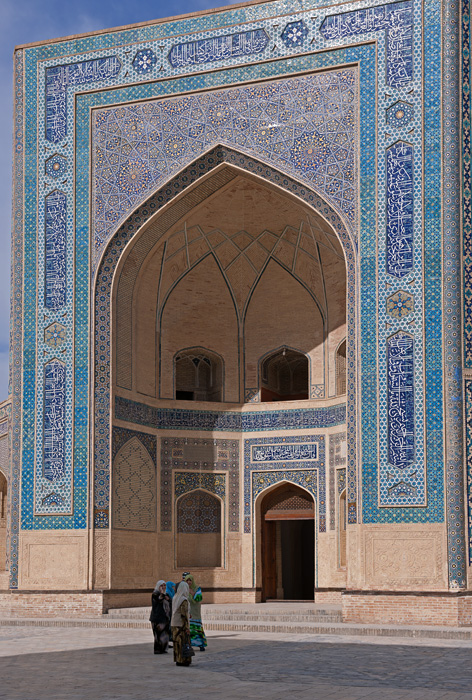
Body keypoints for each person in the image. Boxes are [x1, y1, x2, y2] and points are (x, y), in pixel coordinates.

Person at [182, 572, 207, 651]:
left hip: (195, 612)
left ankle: (200, 645)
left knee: (197, 628)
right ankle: (190, 644)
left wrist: (192, 592)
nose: (189, 582)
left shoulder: (197, 588)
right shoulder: (184, 589)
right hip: (188, 612)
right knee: (189, 629)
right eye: (187, 580)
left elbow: (199, 598)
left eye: (190, 580)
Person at [170, 580, 193, 666]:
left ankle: (178, 660)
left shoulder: (176, 597)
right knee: (183, 642)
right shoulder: (184, 600)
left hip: (174, 623)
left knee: (177, 643)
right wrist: (187, 627)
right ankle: (184, 660)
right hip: (181, 625)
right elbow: (184, 615)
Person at [149, 580, 171, 654]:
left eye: (164, 585)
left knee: (164, 634)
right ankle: (158, 650)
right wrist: (162, 594)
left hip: (164, 617)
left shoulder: (165, 594)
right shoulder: (155, 593)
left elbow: (170, 602)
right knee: (158, 634)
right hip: (157, 618)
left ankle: (163, 649)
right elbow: (159, 600)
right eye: (162, 585)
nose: (164, 587)